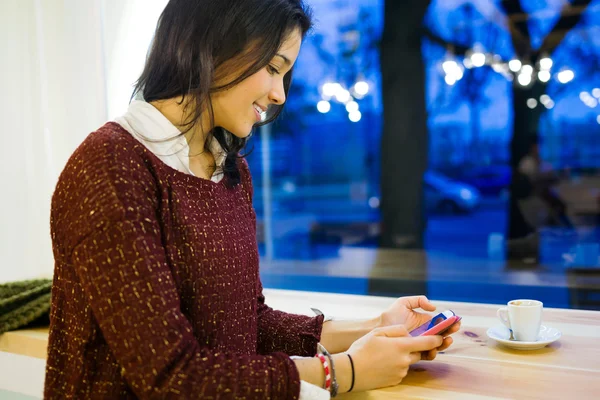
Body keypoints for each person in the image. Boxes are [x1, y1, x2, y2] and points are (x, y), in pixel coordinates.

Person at [44, 0, 460, 398]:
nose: (280, 94)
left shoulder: (229, 170)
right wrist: (343, 371)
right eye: (273, 68)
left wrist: (374, 328)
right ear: (214, 43)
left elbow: (248, 323)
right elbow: (171, 378)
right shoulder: (111, 167)